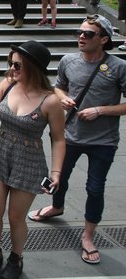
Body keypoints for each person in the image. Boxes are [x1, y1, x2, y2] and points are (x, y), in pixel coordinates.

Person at [0, 41, 64, 279]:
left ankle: (16, 258)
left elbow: (58, 139)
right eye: (11, 63)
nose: (12, 68)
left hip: (29, 161)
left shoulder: (50, 101)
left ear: (33, 67)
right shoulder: (7, 84)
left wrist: (56, 173)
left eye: (17, 64)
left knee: (16, 217)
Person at [28, 15, 126, 266]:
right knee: (59, 177)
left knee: (95, 187)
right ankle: (56, 207)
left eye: (89, 34)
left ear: (104, 39)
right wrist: (62, 97)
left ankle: (88, 236)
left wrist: (100, 111)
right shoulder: (68, 61)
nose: (81, 37)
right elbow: (58, 87)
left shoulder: (118, 67)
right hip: (69, 135)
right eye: (79, 32)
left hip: (103, 141)